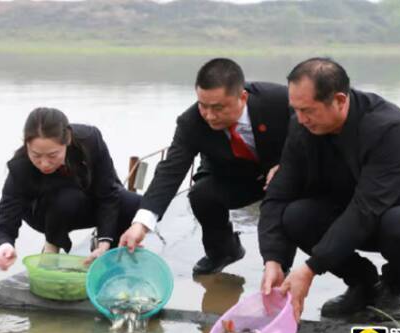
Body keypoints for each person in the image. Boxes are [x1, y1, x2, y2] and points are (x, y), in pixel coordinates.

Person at [259, 57, 400, 322]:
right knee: (296, 216)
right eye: (295, 109)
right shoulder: (301, 125)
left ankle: (397, 288)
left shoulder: (388, 128)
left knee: (399, 223)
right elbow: (279, 194)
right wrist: (273, 259)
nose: (300, 119)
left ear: (340, 100)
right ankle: (363, 283)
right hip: (361, 209)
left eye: (308, 110)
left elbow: (367, 208)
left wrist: (310, 269)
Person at [119, 58, 292, 275]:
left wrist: (288, 165)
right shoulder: (191, 122)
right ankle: (223, 251)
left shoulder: (279, 101)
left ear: (242, 97)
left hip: (283, 172)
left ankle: (281, 267)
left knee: (287, 207)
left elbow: (310, 134)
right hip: (235, 177)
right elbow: (170, 170)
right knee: (201, 194)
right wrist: (141, 225)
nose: (209, 116)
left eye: (218, 108)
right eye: (203, 106)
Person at [0, 107, 141, 269]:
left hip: (84, 200)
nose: (44, 164)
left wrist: (104, 242)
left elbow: (108, 193)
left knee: (134, 204)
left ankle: (109, 252)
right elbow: (5, 222)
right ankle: (51, 247)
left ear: (67, 139)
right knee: (67, 199)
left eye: (52, 155)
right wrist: (4, 246)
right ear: (26, 144)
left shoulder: (90, 139)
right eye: (36, 155)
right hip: (44, 212)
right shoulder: (20, 166)